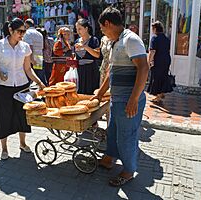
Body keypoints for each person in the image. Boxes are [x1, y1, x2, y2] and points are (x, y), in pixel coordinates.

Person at [92, 7, 149, 186]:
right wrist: (100, 94)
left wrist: (133, 100)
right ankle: (109, 158)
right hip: (117, 99)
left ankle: (128, 171)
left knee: (127, 136)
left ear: (108, 23)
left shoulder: (131, 39)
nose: (102, 32)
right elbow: (112, 71)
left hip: (128, 100)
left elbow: (143, 68)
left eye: (102, 28)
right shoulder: (116, 41)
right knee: (113, 131)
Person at [0, 18, 46, 160]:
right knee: (4, 116)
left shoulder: (25, 47)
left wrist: (40, 83)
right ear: (11, 30)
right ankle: (4, 149)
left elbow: (28, 69)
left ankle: (22, 143)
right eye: (19, 31)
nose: (22, 34)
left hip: (22, 86)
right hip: (3, 88)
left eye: (24, 31)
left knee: (22, 116)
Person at [147, 21, 173, 103]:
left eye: (152, 28)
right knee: (163, 76)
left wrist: (148, 62)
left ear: (155, 29)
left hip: (158, 60)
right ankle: (161, 93)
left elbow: (152, 51)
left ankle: (158, 97)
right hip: (166, 59)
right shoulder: (166, 38)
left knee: (156, 78)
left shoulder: (155, 38)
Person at [74, 19, 100, 94]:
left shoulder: (93, 40)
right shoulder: (77, 41)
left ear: (86, 28)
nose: (78, 31)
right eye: (77, 29)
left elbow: (97, 54)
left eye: (80, 29)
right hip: (80, 70)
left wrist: (85, 47)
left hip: (91, 70)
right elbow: (76, 56)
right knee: (81, 92)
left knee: (91, 92)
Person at [23, 19, 46, 85]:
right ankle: (44, 90)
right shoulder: (39, 33)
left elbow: (29, 47)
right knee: (40, 76)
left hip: (31, 57)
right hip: (39, 56)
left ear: (26, 25)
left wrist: (31, 59)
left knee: (29, 76)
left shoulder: (27, 33)